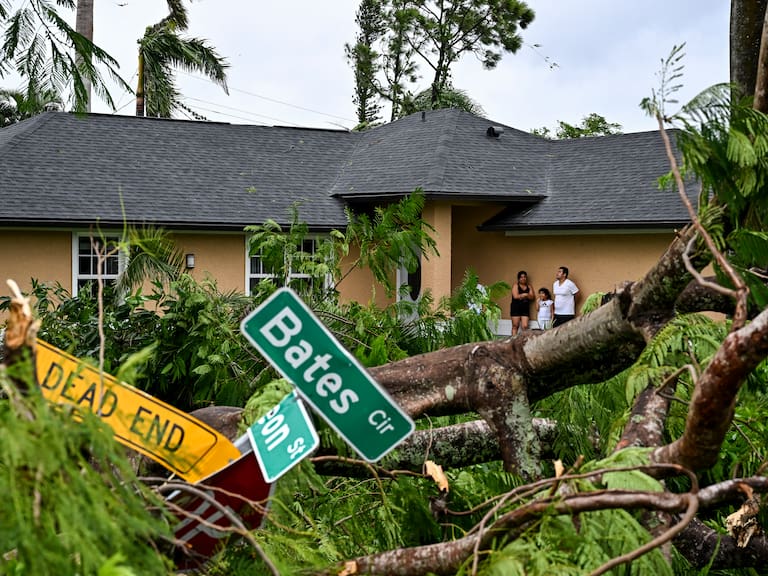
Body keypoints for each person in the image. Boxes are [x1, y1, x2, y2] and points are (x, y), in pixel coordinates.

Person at [510, 270, 535, 336]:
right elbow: (515, 296)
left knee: (525, 326)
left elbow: (532, 297)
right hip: (516, 307)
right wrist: (525, 295)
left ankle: (523, 341)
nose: (523, 278)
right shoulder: (515, 285)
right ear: (518, 278)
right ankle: (513, 341)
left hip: (525, 308)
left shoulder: (529, 286)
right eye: (521, 277)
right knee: (515, 326)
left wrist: (525, 295)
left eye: (524, 277)